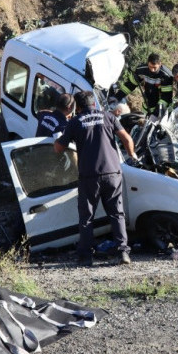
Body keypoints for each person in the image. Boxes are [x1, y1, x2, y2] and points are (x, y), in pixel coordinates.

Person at [54, 91, 138, 267]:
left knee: (86, 217)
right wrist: (132, 156)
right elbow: (127, 139)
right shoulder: (108, 117)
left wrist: (59, 138)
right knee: (117, 214)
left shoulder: (75, 122)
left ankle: (85, 257)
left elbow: (58, 148)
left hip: (89, 176)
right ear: (95, 104)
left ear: (78, 106)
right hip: (112, 173)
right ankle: (123, 252)